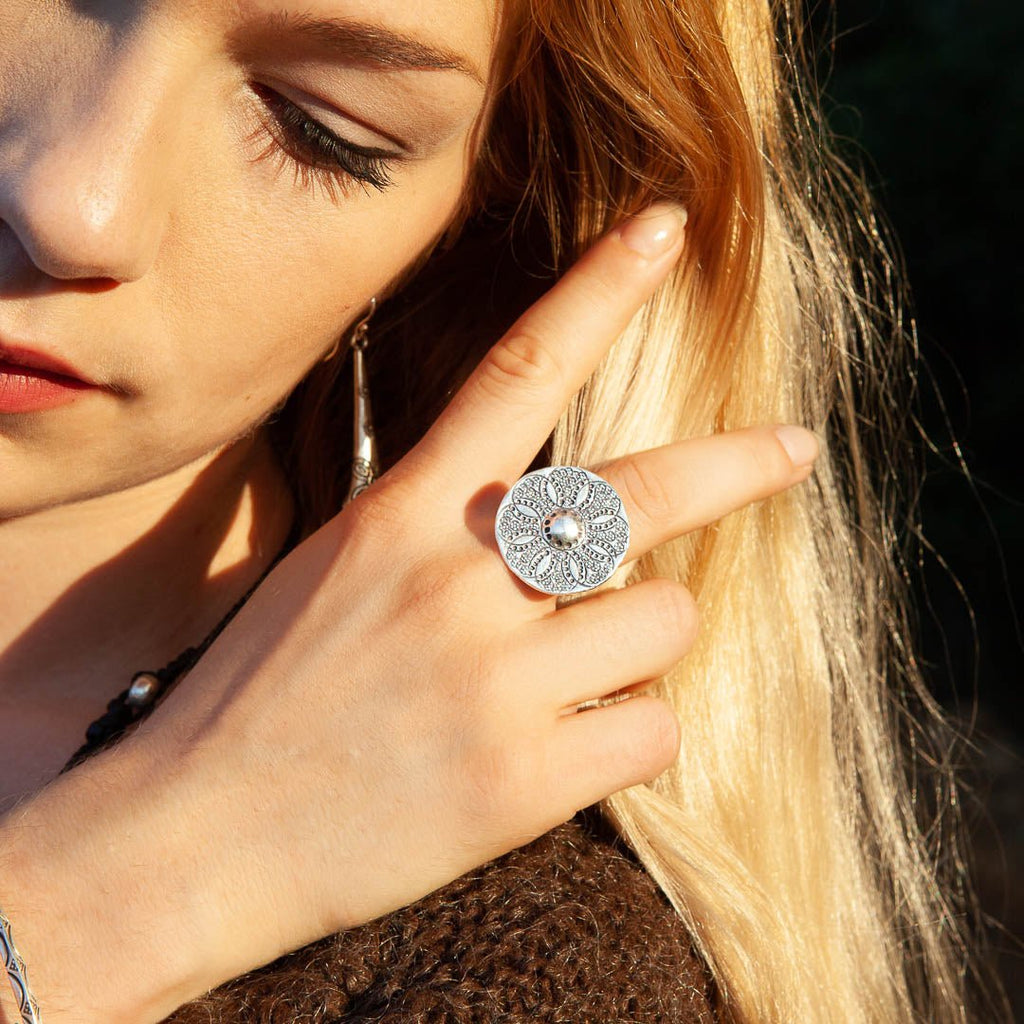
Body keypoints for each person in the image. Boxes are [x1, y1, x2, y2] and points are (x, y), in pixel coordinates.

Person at [0, 0, 997, 1022]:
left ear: (462, 229)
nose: (74, 205)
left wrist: (132, 891)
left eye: (320, 128)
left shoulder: (515, 968)